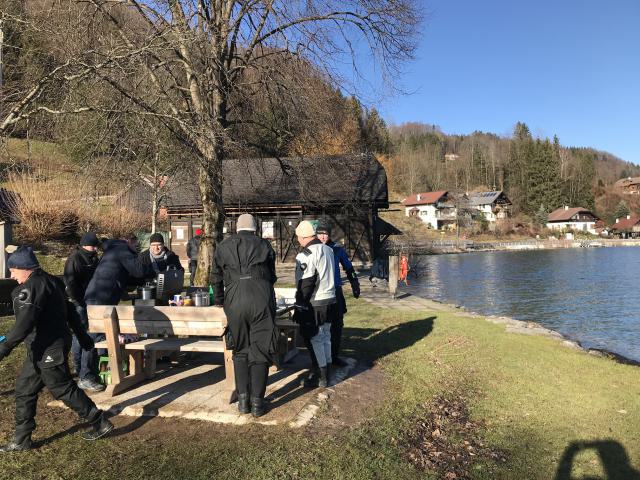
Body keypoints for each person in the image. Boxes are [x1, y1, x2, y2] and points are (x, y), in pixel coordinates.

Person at [0, 246, 113, 452]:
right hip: (40, 348)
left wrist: (3, 348)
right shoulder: (52, 280)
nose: (12, 276)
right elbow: (70, 311)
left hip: (50, 348)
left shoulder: (33, 287)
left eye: (13, 271)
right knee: (24, 390)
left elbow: (24, 324)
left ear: (24, 268)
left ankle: (100, 422)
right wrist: (82, 336)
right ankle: (22, 440)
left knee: (62, 388)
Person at [212, 214, 278, 417]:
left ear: (237, 228)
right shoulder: (264, 245)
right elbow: (272, 275)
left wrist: (220, 300)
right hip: (260, 297)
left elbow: (215, 278)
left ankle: (243, 401)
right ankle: (257, 403)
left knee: (240, 349)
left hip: (234, 299)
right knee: (260, 349)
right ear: (254, 228)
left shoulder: (223, 246)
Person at [293, 220, 336, 388]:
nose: (298, 240)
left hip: (316, 302)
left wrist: (300, 306)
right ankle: (327, 373)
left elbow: (306, 283)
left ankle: (321, 376)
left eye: (298, 237)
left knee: (316, 338)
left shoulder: (306, 254)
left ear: (304, 237)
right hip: (331, 299)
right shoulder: (328, 249)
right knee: (326, 337)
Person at [316, 221, 360, 367]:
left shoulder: (337, 249)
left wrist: (355, 283)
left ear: (329, 235)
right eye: (320, 234)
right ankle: (320, 359)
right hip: (320, 292)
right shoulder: (313, 249)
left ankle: (334, 356)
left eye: (325, 234)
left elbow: (349, 268)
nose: (323, 237)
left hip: (336, 291)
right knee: (321, 326)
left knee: (337, 324)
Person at [63, 232, 103, 392]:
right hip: (80, 303)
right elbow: (70, 283)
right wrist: (80, 301)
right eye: (93, 246)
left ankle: (82, 372)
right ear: (85, 245)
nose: (95, 249)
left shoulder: (93, 258)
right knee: (81, 335)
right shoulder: (75, 259)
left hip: (90, 302)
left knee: (82, 336)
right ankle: (83, 372)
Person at [84, 234, 151, 306]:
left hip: (96, 295)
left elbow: (122, 275)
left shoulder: (113, 250)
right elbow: (139, 271)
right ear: (129, 241)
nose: (137, 248)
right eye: (135, 245)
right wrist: (152, 272)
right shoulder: (122, 249)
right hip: (102, 296)